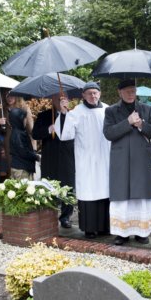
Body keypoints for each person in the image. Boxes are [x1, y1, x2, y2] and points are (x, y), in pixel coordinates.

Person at [103, 79, 151, 245]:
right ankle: (122, 233)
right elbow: (108, 133)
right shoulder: (111, 111)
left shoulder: (146, 109)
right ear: (119, 92)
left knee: (142, 195)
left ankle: (142, 232)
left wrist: (141, 124)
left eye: (133, 91)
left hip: (142, 159)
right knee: (121, 196)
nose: (130, 94)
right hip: (121, 160)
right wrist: (127, 122)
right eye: (127, 91)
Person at [56, 82, 110, 238]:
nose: (93, 96)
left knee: (105, 191)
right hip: (86, 160)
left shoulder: (107, 109)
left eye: (95, 93)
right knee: (89, 193)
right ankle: (90, 228)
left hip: (105, 158)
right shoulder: (76, 112)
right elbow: (65, 135)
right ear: (83, 95)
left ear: (99, 94)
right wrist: (64, 113)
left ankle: (105, 227)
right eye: (89, 93)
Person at [32, 93, 75, 228]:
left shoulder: (73, 115)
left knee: (67, 186)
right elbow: (35, 134)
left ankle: (66, 216)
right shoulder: (44, 115)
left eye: (64, 99)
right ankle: (49, 214)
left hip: (67, 156)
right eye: (58, 99)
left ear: (68, 100)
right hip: (50, 156)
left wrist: (64, 114)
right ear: (53, 100)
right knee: (49, 186)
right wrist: (48, 129)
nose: (61, 101)